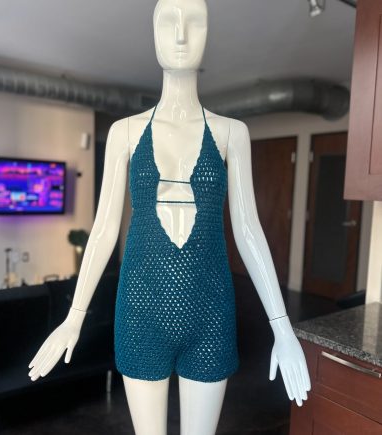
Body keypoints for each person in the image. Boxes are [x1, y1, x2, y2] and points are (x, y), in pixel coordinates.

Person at [28, 1, 311, 434]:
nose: (181, 34)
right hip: (141, 310)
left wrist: (282, 327)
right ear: (153, 33)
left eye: (194, 23)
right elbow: (104, 229)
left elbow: (248, 229)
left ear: (208, 35)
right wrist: (74, 316)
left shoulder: (232, 132)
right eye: (169, 22)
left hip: (211, 312)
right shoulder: (125, 132)